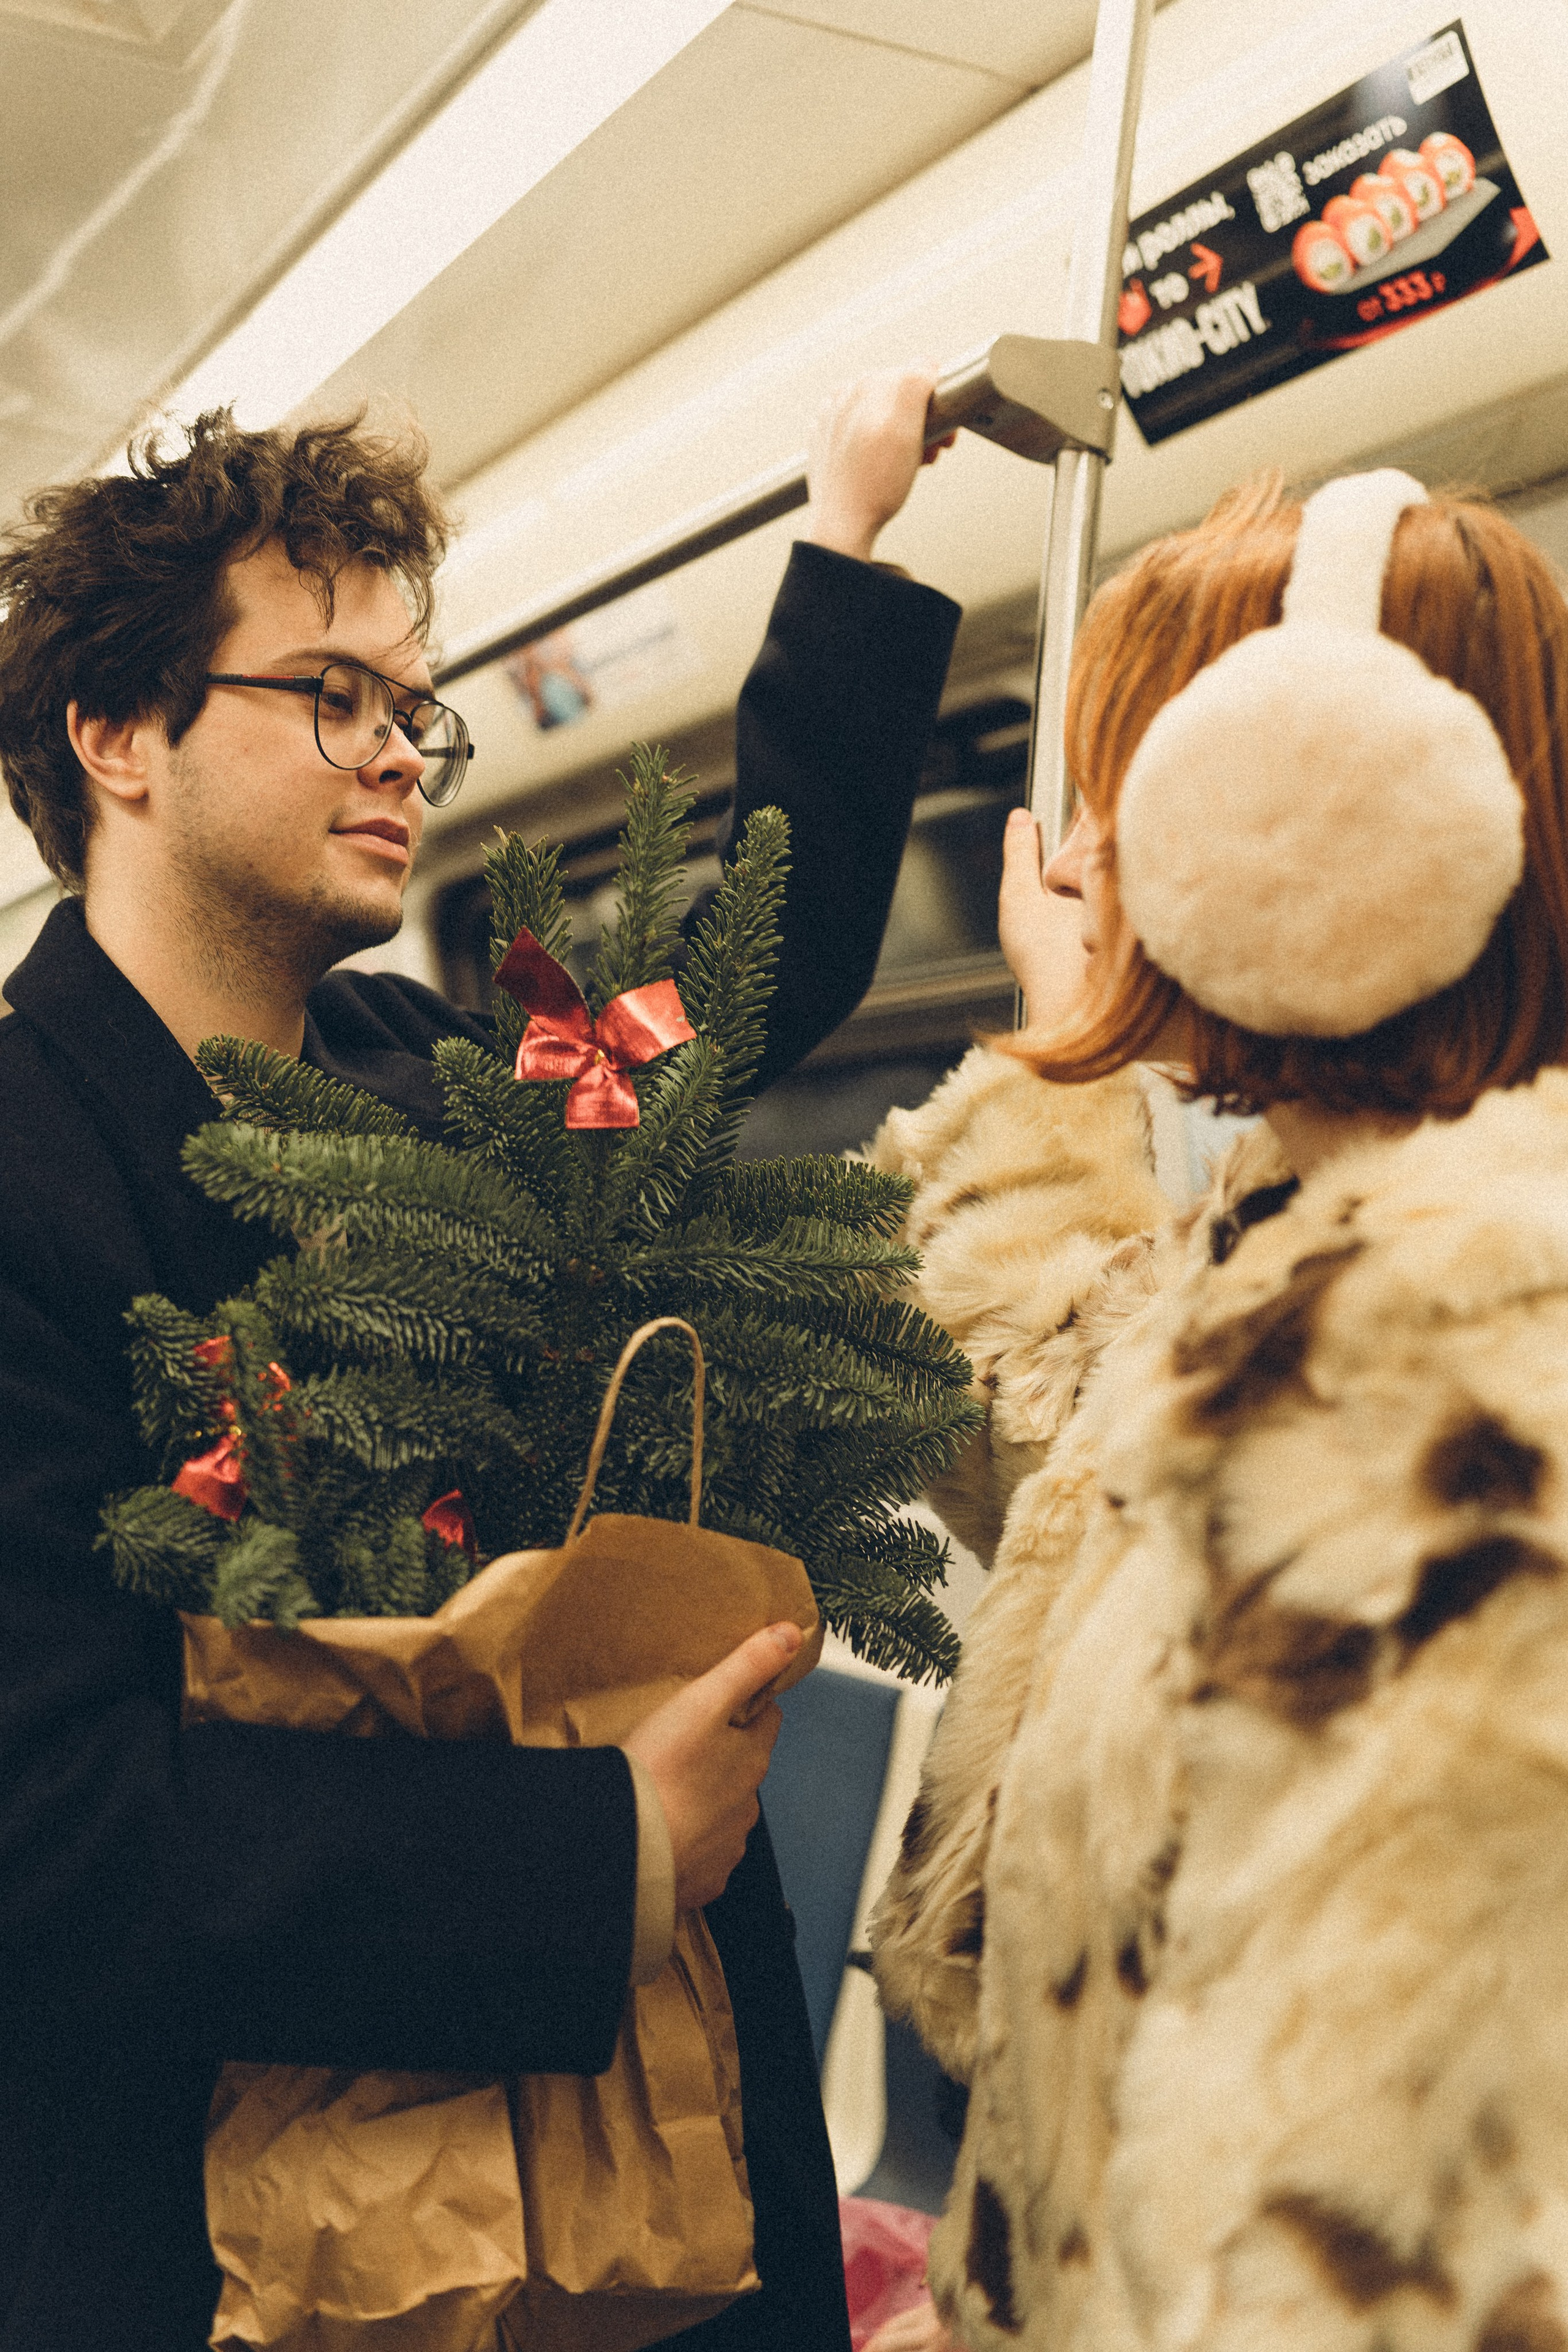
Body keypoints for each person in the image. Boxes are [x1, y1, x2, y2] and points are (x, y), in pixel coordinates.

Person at [0, 368, 960, 2349]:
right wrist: (599, 1846)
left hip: (647, 2189)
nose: (399, 756)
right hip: (229, 2243)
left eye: (410, 709)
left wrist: (847, 541)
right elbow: (53, 1828)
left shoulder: (428, 1078)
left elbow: (727, 993)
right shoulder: (27, 1182)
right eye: (328, 695)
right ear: (115, 737)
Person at [862, 470, 1568, 2350]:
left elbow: (1361, 2254)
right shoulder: (1282, 1267)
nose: (1091, 855)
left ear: (1312, 820)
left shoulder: (1456, 1354)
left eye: (1131, 795)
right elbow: (1062, 1444)